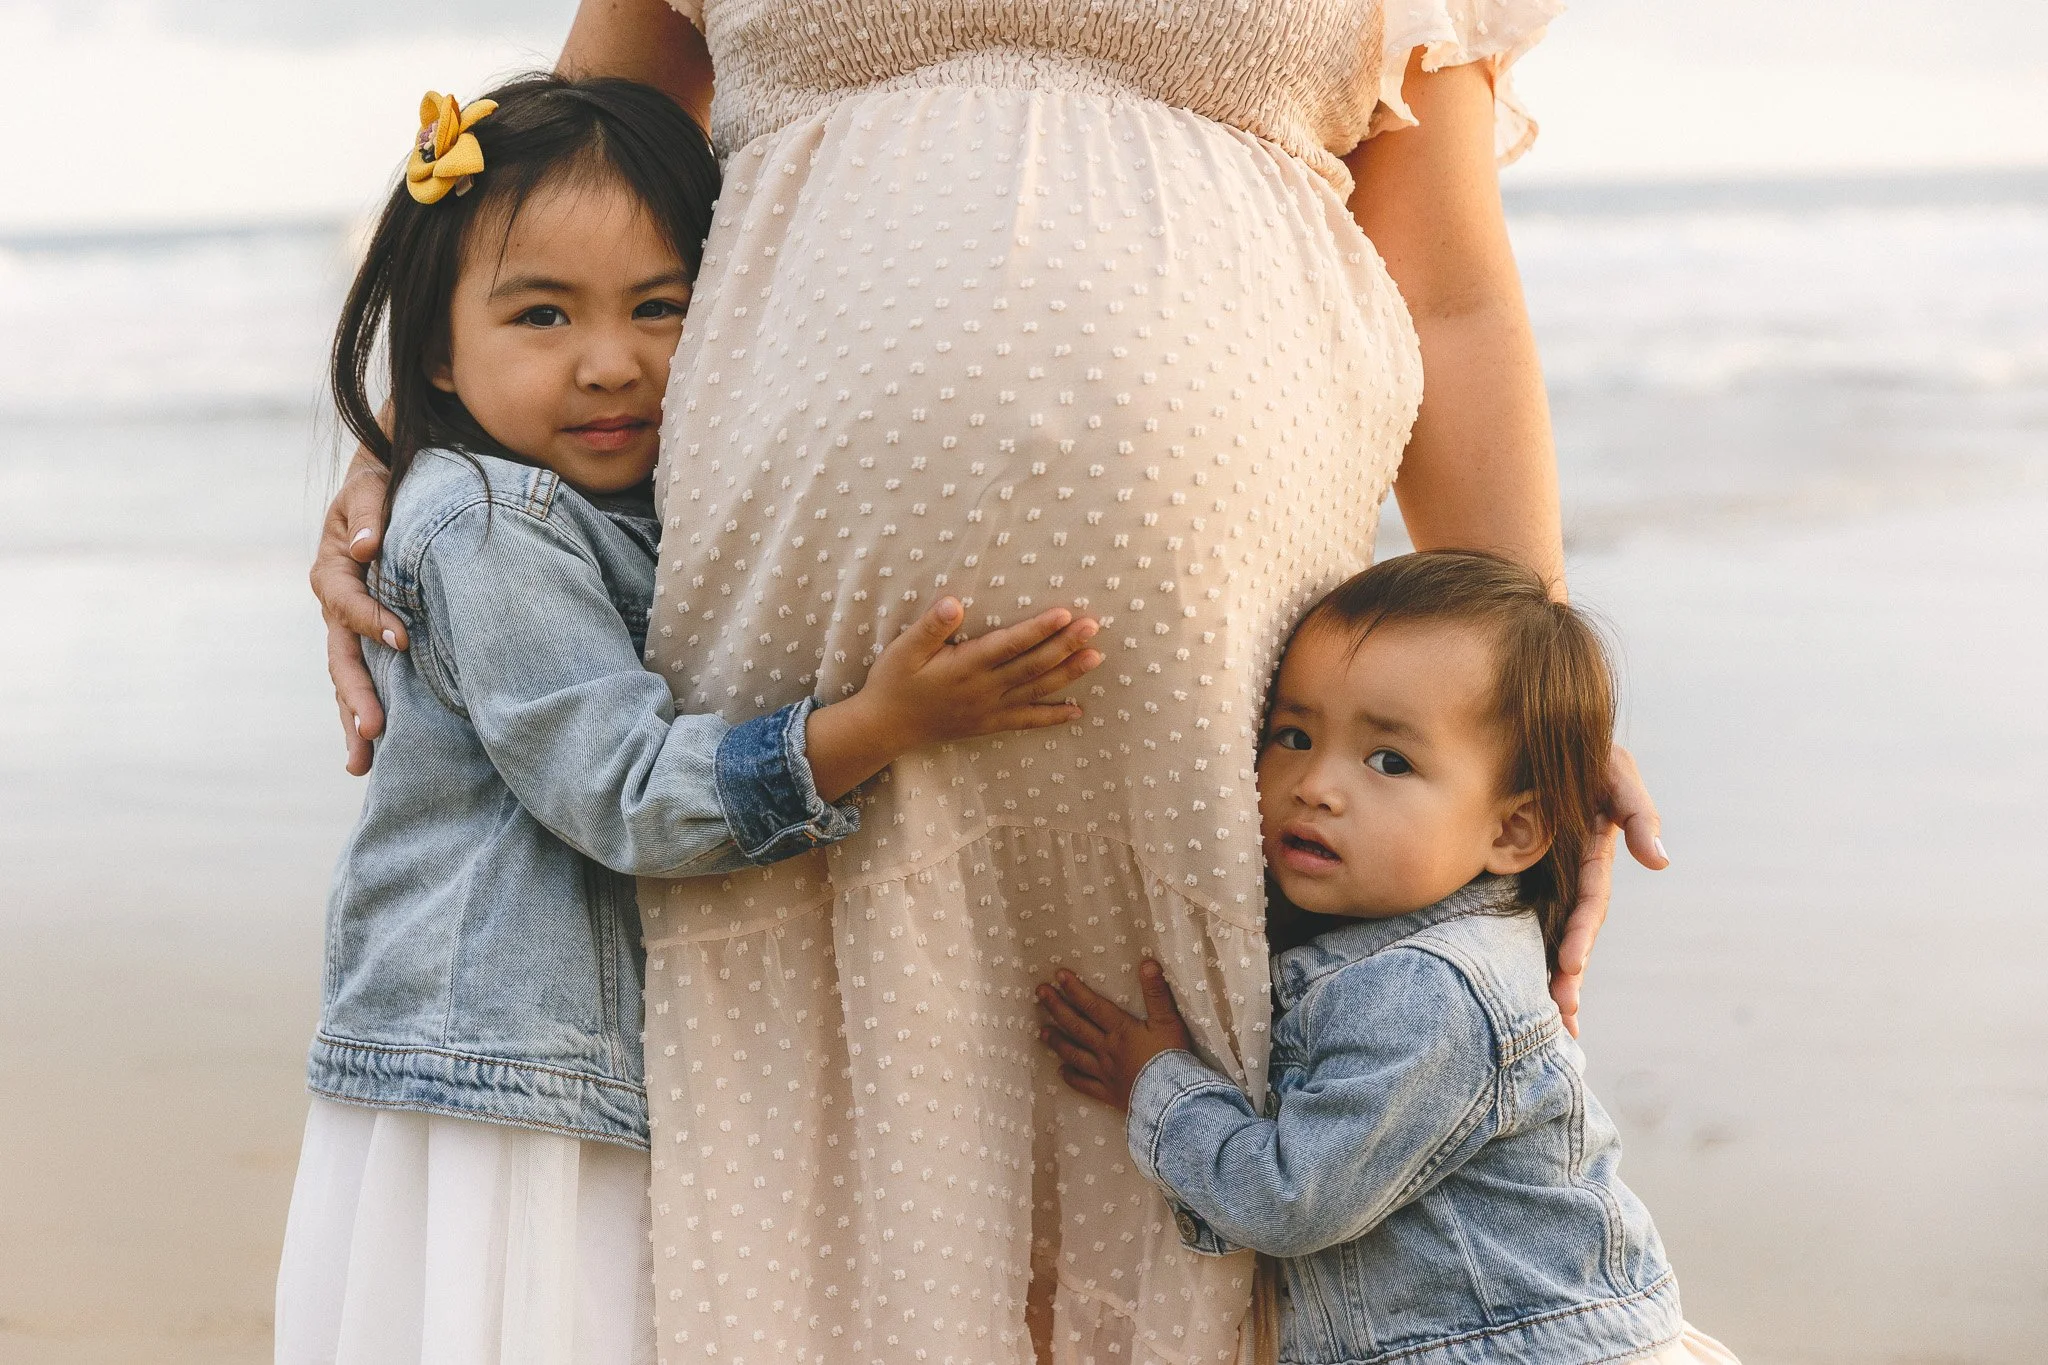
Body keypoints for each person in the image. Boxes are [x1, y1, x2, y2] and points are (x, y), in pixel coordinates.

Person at [308, 2, 1671, 1358]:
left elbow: (1449, 294)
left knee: (1170, 1162)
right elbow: (565, 180)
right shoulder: (490, 493)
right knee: (838, 1224)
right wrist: (414, 447)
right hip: (796, 716)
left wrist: (1529, 688)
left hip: (1203, 706)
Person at [275, 74, 1103, 1364]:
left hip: (575, 1077)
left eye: (660, 306)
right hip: (514, 1089)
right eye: (540, 314)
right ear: (436, 354)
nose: (612, 361)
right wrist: (879, 725)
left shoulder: (629, 502)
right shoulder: (483, 522)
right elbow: (623, 793)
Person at [1037, 551, 1737, 1365]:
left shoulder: (1427, 990)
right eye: (1294, 736)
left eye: (1390, 761)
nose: (1316, 784)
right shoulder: (1408, 947)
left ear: (1512, 830)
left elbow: (1290, 1200)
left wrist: (1156, 1085)